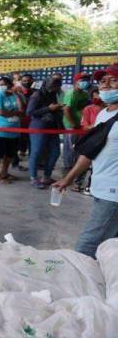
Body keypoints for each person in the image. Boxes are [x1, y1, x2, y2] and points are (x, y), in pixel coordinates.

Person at [53, 64, 118, 258]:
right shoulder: (103, 114)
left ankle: (75, 285)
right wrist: (69, 179)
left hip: (113, 193)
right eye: (102, 81)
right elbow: (89, 152)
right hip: (100, 187)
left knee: (86, 247)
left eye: (113, 80)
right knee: (109, 245)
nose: (105, 86)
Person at [27, 76, 64, 189]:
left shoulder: (52, 94)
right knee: (36, 152)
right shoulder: (37, 95)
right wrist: (48, 109)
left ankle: (46, 176)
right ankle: (33, 178)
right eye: (53, 85)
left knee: (55, 152)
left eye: (57, 86)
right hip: (38, 127)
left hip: (52, 127)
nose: (55, 88)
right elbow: (30, 112)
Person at [0, 77, 22, 184]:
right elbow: (0, 111)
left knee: (10, 153)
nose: (2, 86)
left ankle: (4, 173)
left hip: (14, 130)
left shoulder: (16, 95)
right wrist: (15, 113)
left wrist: (17, 95)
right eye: (0, 84)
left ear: (10, 85)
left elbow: (22, 110)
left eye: (4, 84)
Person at [62, 72, 91, 174]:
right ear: (76, 82)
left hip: (81, 125)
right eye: (83, 80)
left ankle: (75, 168)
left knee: (78, 147)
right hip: (72, 125)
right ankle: (67, 168)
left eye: (87, 80)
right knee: (70, 147)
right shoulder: (71, 93)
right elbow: (66, 110)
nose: (85, 82)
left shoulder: (85, 94)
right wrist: (73, 124)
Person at [12, 74, 35, 171]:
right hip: (19, 122)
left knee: (31, 144)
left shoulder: (35, 92)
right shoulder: (15, 92)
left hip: (31, 122)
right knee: (15, 144)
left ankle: (33, 164)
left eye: (29, 80)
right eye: (24, 80)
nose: (27, 82)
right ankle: (15, 162)